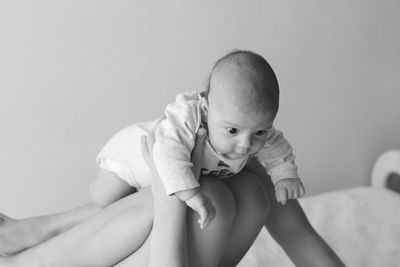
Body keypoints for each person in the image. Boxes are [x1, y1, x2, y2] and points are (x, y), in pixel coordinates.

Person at [0, 50, 345, 266]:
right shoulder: (187, 135)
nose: (244, 143)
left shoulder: (254, 150)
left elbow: (298, 234)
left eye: (258, 132)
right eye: (232, 130)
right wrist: (170, 195)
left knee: (250, 194)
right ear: (209, 112)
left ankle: (39, 234)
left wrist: (170, 201)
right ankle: (33, 250)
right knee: (206, 197)